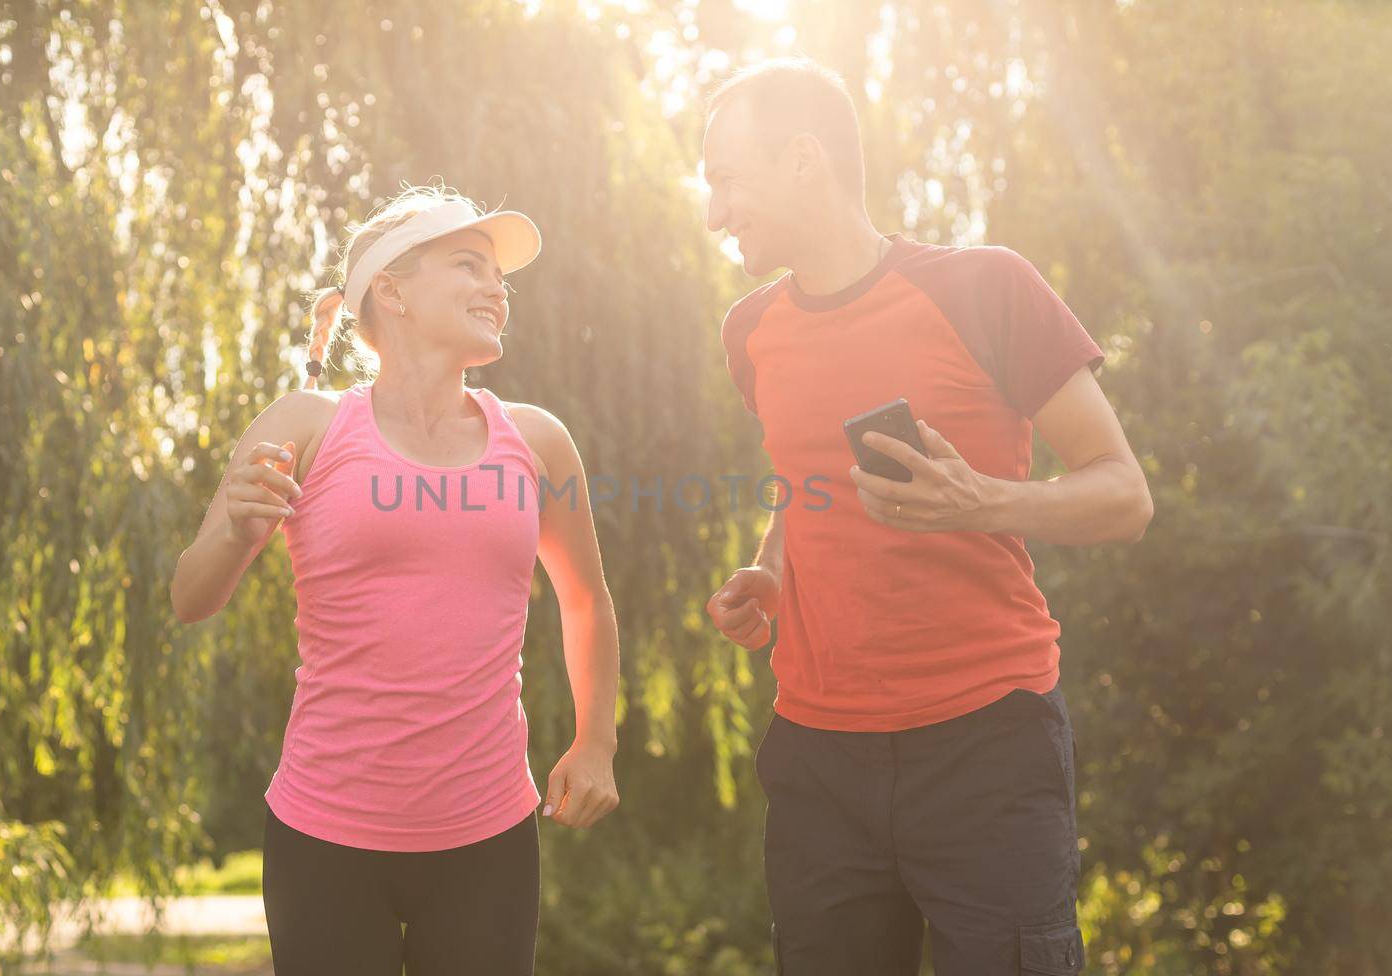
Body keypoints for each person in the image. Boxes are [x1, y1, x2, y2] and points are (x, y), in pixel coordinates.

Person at [700, 59, 1153, 975]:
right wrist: (770, 570)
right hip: (818, 757)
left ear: (802, 160)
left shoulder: (986, 287)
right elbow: (805, 480)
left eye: (726, 180)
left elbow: (1123, 493)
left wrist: (981, 500)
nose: (715, 213)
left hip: (986, 743)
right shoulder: (749, 332)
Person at [169, 184, 620, 976]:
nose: (496, 287)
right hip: (324, 835)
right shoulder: (303, 427)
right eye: (467, 265)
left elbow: (584, 598)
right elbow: (190, 597)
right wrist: (239, 529)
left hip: (489, 836)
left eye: (499, 276)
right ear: (392, 290)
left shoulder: (539, 443)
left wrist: (596, 740)